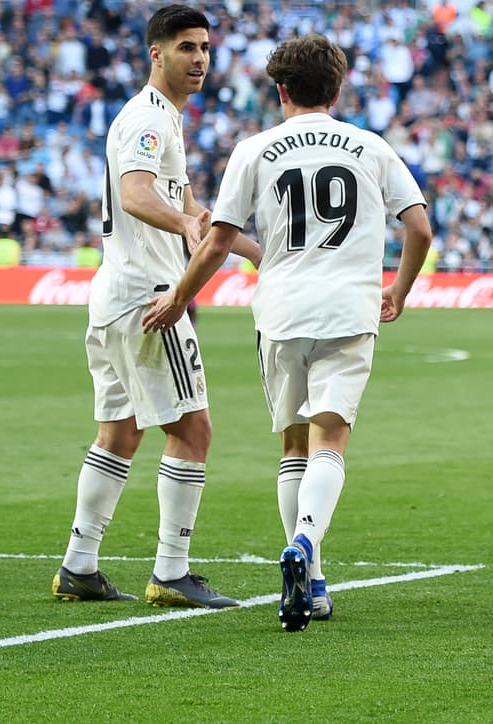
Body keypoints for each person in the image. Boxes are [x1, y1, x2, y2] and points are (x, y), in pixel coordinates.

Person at [143, 34, 432, 632]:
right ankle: (304, 546)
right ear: (338, 87)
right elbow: (420, 230)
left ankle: (315, 582)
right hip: (348, 311)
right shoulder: (370, 147)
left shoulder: (254, 150)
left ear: (280, 90)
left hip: (280, 312)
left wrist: (179, 296)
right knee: (332, 440)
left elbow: (219, 242)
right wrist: (399, 289)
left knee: (294, 446)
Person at [52, 4, 261, 609]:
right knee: (193, 429)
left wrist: (258, 253)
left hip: (113, 294)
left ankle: (78, 565)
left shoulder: (164, 121)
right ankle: (172, 571)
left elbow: (198, 215)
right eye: (186, 47)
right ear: (156, 53)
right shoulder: (147, 119)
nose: (199, 59)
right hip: (149, 295)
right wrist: (186, 229)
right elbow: (136, 195)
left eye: (204, 48)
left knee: (118, 433)